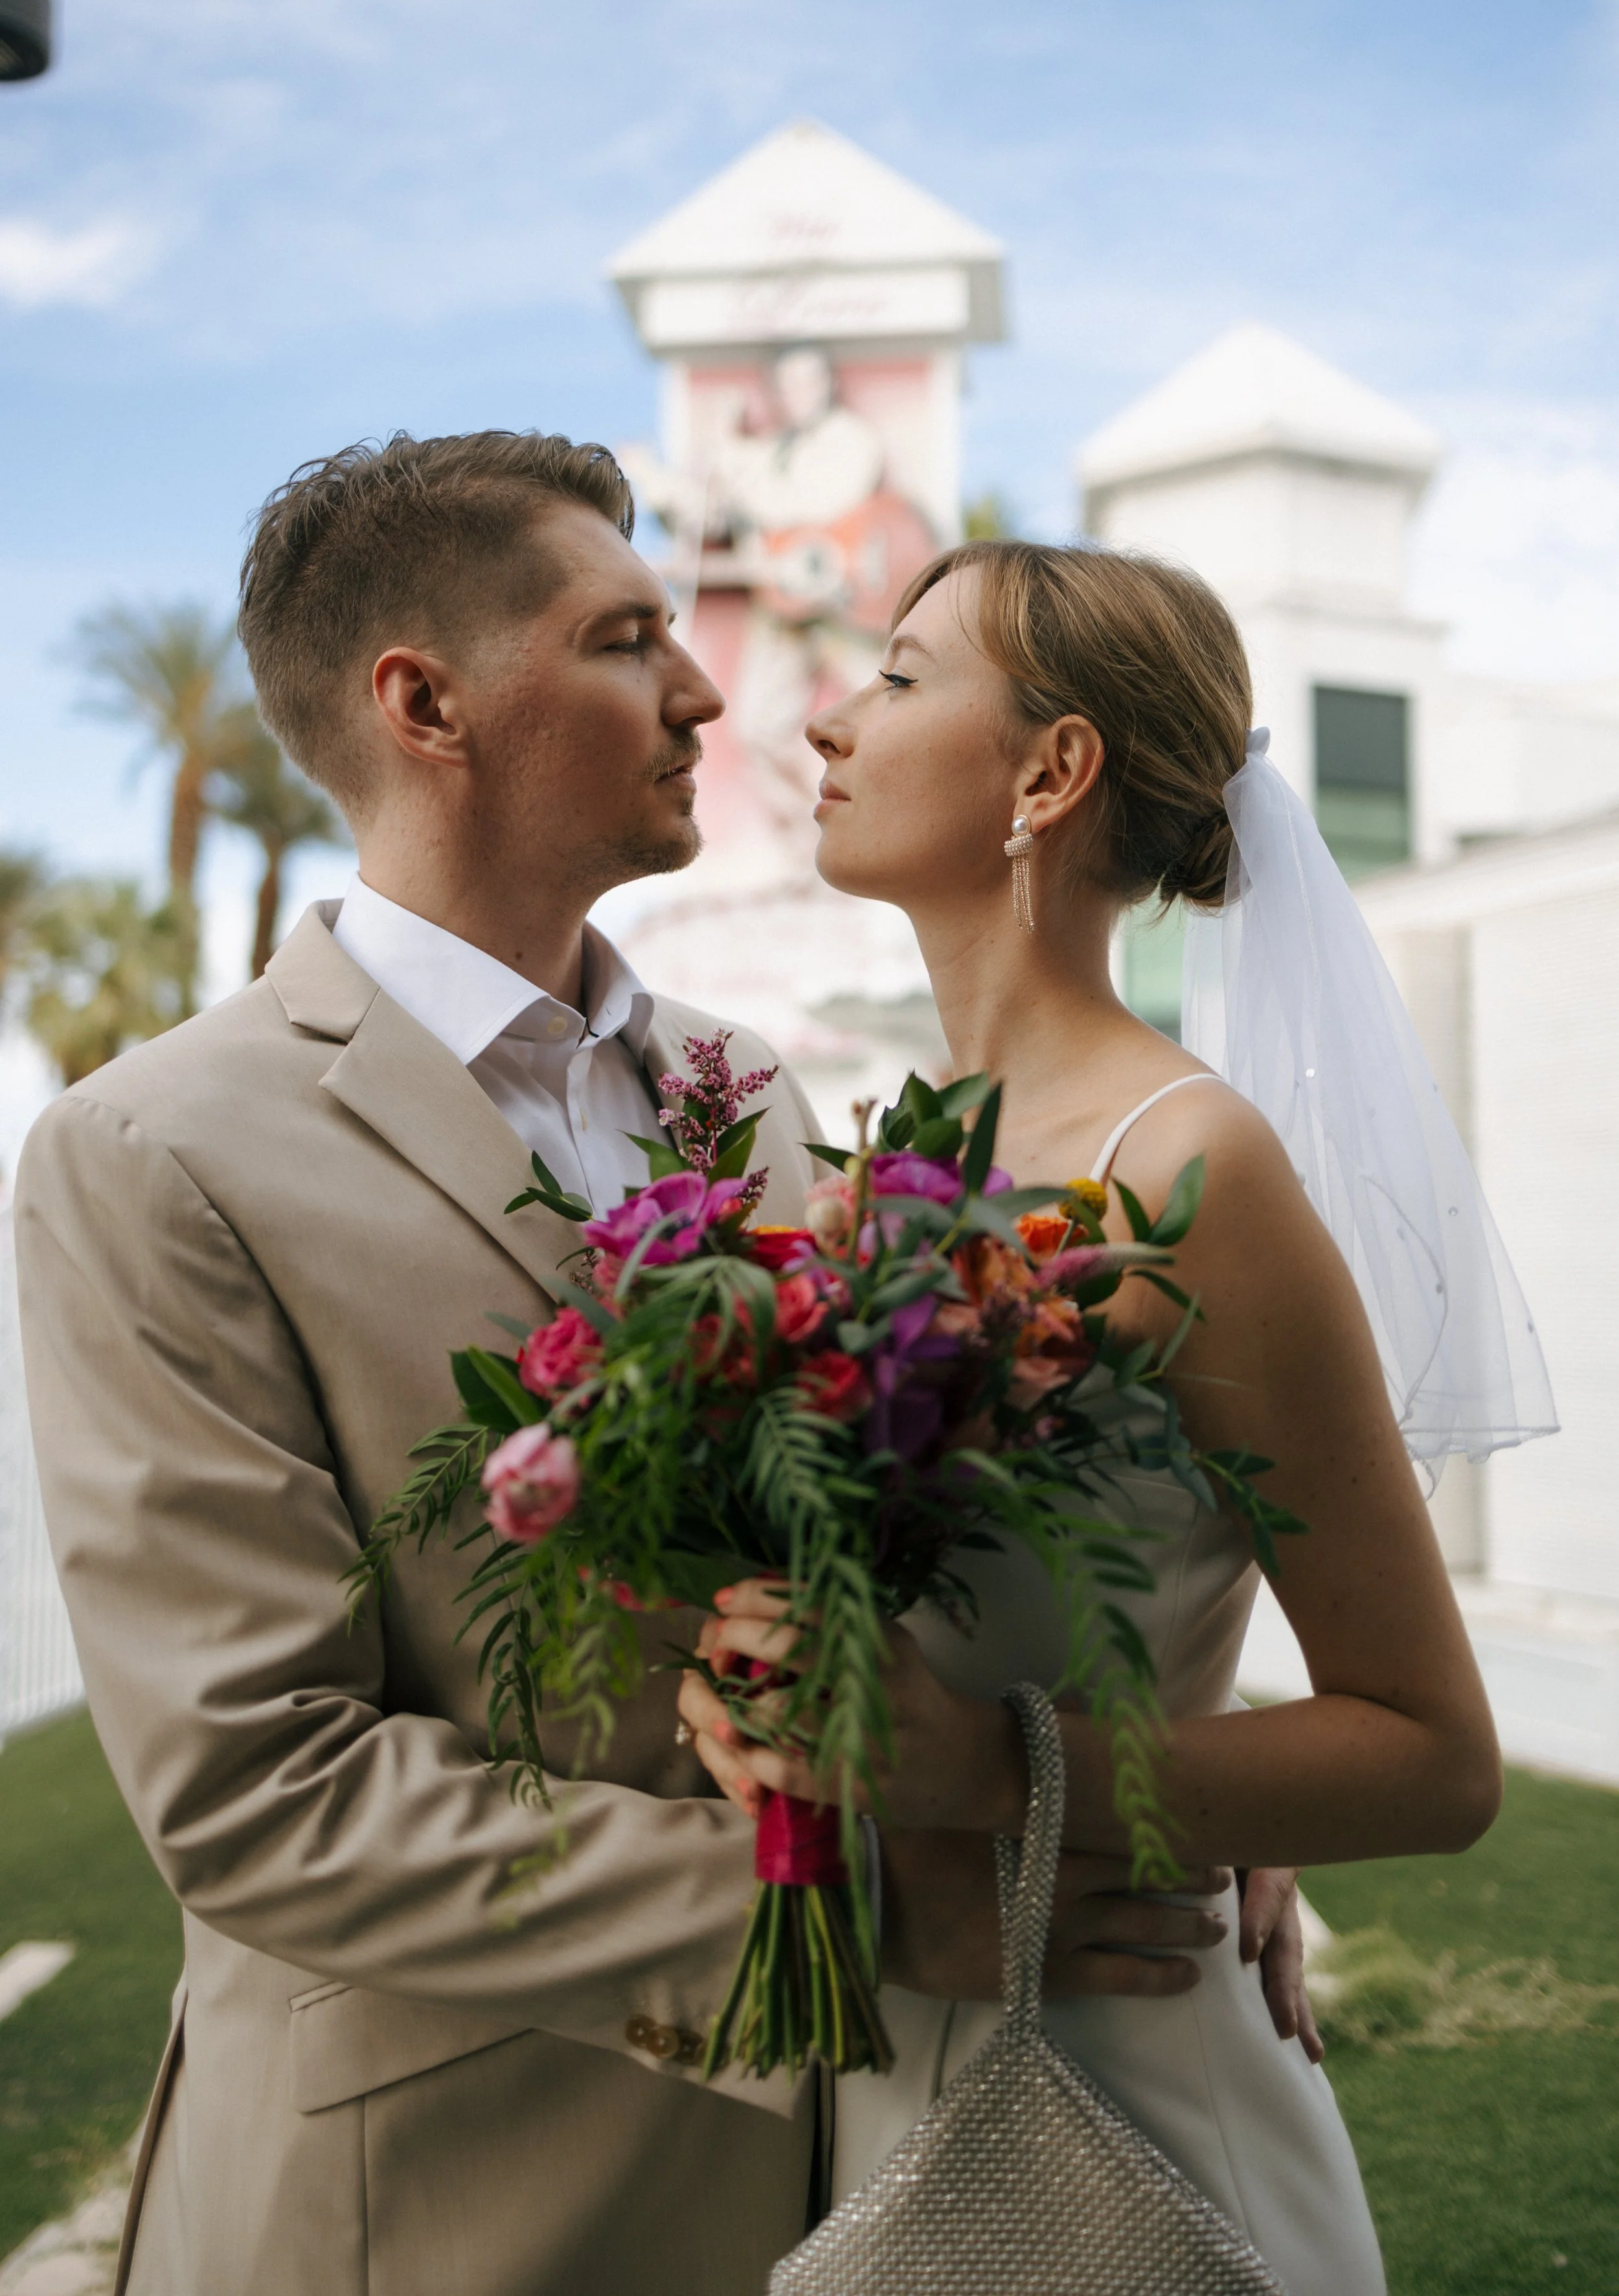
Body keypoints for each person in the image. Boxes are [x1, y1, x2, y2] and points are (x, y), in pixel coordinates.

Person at [12, 440, 1300, 2296]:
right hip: (440, 2203)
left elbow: (914, 1508)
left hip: (832, 2177)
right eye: (629, 639)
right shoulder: (155, 1152)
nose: (709, 688)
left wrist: (1161, 1767)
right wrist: (854, 1907)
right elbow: (257, 1791)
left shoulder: (745, 1088)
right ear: (424, 700)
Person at [680, 538, 1516, 2295]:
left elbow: (1432, 1751)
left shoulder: (1187, 1168)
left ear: (1049, 774)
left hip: (1133, 2116)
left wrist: (1007, 1770)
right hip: (890, 2064)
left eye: (900, 679)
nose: (829, 717)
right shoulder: (898, 1159)